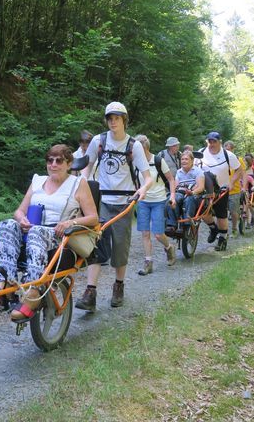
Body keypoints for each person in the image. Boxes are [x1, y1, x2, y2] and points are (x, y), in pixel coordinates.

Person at [0, 144, 98, 321]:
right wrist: (21, 219)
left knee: (36, 231)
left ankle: (34, 291)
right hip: (32, 229)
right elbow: (19, 211)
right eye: (50, 160)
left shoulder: (78, 183)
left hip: (58, 233)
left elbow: (93, 218)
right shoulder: (38, 181)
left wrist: (70, 222)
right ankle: (2, 282)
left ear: (69, 164)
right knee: (6, 224)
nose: (53, 164)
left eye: (59, 160)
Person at [75, 101, 152, 312]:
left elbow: (147, 177)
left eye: (117, 118)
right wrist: (82, 189)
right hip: (100, 202)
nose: (113, 122)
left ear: (124, 120)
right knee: (95, 245)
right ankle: (90, 292)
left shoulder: (134, 145)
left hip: (125, 203)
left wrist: (142, 191)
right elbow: (86, 167)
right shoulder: (98, 141)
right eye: (110, 118)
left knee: (120, 247)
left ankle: (119, 286)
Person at [134, 134, 176, 275]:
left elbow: (170, 179)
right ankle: (148, 262)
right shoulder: (136, 163)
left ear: (145, 148)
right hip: (143, 201)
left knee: (158, 234)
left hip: (159, 200)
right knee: (145, 233)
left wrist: (173, 196)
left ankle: (169, 247)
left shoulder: (158, 160)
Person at [199, 132, 242, 251]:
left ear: (220, 142)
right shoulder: (201, 152)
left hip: (222, 189)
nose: (211, 144)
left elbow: (239, 170)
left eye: (214, 141)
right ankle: (213, 228)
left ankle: (222, 239)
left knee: (221, 215)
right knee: (202, 212)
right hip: (203, 189)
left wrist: (231, 183)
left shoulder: (228, 155)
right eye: (209, 141)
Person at [166, 150, 205, 233]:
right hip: (181, 192)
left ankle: (186, 225)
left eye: (186, 159)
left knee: (189, 199)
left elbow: (201, 187)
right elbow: (176, 187)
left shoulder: (198, 171)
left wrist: (192, 192)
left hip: (194, 194)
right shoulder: (179, 172)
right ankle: (172, 225)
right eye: (182, 159)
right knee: (173, 199)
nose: (183, 161)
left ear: (192, 161)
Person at [223, 141, 247, 237]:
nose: (227, 151)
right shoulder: (221, 159)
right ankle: (222, 231)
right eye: (226, 149)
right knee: (220, 212)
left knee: (233, 212)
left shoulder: (238, 160)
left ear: (233, 150)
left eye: (229, 149)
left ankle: (234, 229)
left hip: (234, 190)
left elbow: (244, 175)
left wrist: (244, 187)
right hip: (221, 191)